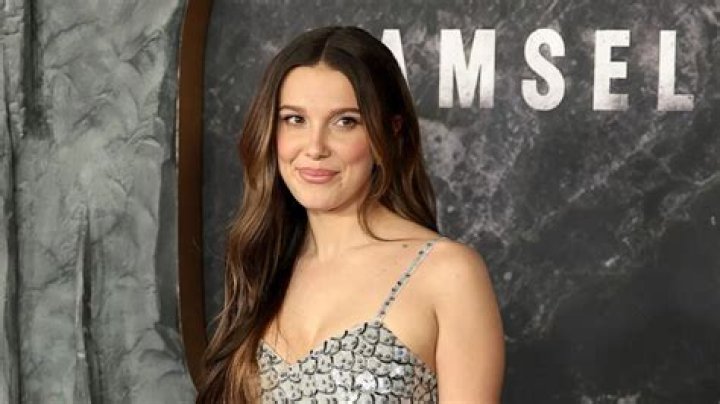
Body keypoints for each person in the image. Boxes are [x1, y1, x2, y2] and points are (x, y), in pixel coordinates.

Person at [196, 26, 505, 403]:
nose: (315, 147)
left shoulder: (448, 273)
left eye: (345, 122)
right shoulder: (263, 264)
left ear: (389, 133)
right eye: (294, 119)